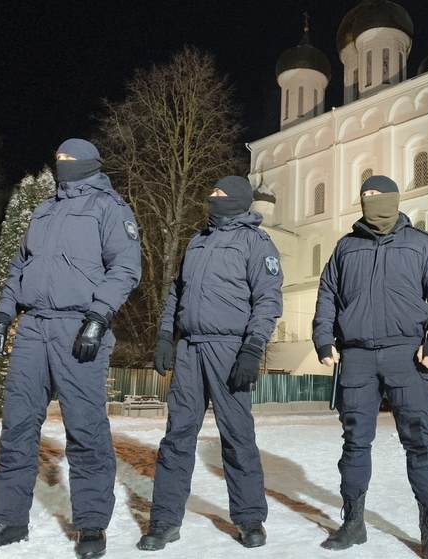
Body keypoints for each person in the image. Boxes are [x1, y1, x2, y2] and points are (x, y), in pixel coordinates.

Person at [0, 139, 142, 559]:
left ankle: (92, 524)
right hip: (34, 329)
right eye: (57, 158)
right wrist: (4, 315)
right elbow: (19, 266)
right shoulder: (44, 210)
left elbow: (126, 267)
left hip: (79, 328)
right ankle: (8, 520)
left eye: (68, 160)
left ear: (88, 164)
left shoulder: (109, 207)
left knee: (85, 429)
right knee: (18, 427)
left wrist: (98, 318)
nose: (60, 164)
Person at [312, 175, 428, 559]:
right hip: (356, 357)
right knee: (355, 442)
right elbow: (327, 293)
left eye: (377, 195)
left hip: (407, 356)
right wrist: (323, 338)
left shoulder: (420, 245)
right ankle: (353, 522)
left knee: (419, 442)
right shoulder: (346, 247)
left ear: (394, 199)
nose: (369, 200)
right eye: (364, 195)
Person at [137, 176, 283, 551]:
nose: (211, 197)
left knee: (237, 436)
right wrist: (165, 338)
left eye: (218, 193)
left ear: (236, 200)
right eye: (211, 191)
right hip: (189, 350)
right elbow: (176, 292)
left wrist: (252, 349)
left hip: (230, 349)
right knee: (177, 436)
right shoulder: (197, 241)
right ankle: (165, 520)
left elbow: (268, 300)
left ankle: (250, 518)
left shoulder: (256, 242)